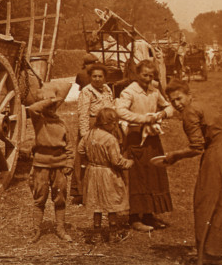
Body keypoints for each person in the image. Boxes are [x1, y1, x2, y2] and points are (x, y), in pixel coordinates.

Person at [164, 79, 222, 265]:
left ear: (188, 95)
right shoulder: (200, 105)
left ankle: (215, 254)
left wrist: (174, 156)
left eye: (179, 98)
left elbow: (196, 147)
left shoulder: (190, 112)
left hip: (218, 156)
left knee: (208, 203)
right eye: (172, 100)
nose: (177, 104)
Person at [115, 59, 174, 231]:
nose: (147, 79)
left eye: (151, 75)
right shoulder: (129, 92)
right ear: (136, 74)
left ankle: (149, 215)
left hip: (152, 137)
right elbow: (120, 111)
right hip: (135, 138)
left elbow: (169, 107)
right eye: (144, 75)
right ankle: (134, 218)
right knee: (138, 176)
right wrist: (143, 118)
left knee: (154, 173)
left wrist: (162, 113)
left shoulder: (154, 90)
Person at [78, 107, 134, 243]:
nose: (115, 126)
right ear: (107, 123)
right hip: (107, 173)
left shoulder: (89, 134)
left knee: (96, 203)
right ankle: (113, 233)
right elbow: (116, 161)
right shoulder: (110, 139)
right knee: (111, 202)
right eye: (113, 123)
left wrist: (90, 160)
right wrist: (129, 163)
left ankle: (96, 233)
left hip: (92, 172)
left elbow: (80, 149)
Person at [27, 96, 74, 242]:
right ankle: (36, 230)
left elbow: (70, 146)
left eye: (54, 107)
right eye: (49, 107)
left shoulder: (62, 123)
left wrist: (69, 163)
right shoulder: (39, 121)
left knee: (60, 198)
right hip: (41, 165)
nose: (52, 110)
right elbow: (32, 108)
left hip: (59, 166)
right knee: (39, 198)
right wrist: (50, 99)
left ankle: (60, 229)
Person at [70, 63, 115, 205]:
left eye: (100, 76)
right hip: (92, 126)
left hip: (106, 127)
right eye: (94, 76)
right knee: (86, 160)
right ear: (90, 77)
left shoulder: (107, 89)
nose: (97, 79)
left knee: (103, 159)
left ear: (105, 78)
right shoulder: (87, 91)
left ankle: (103, 190)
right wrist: (85, 136)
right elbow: (83, 114)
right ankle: (82, 191)